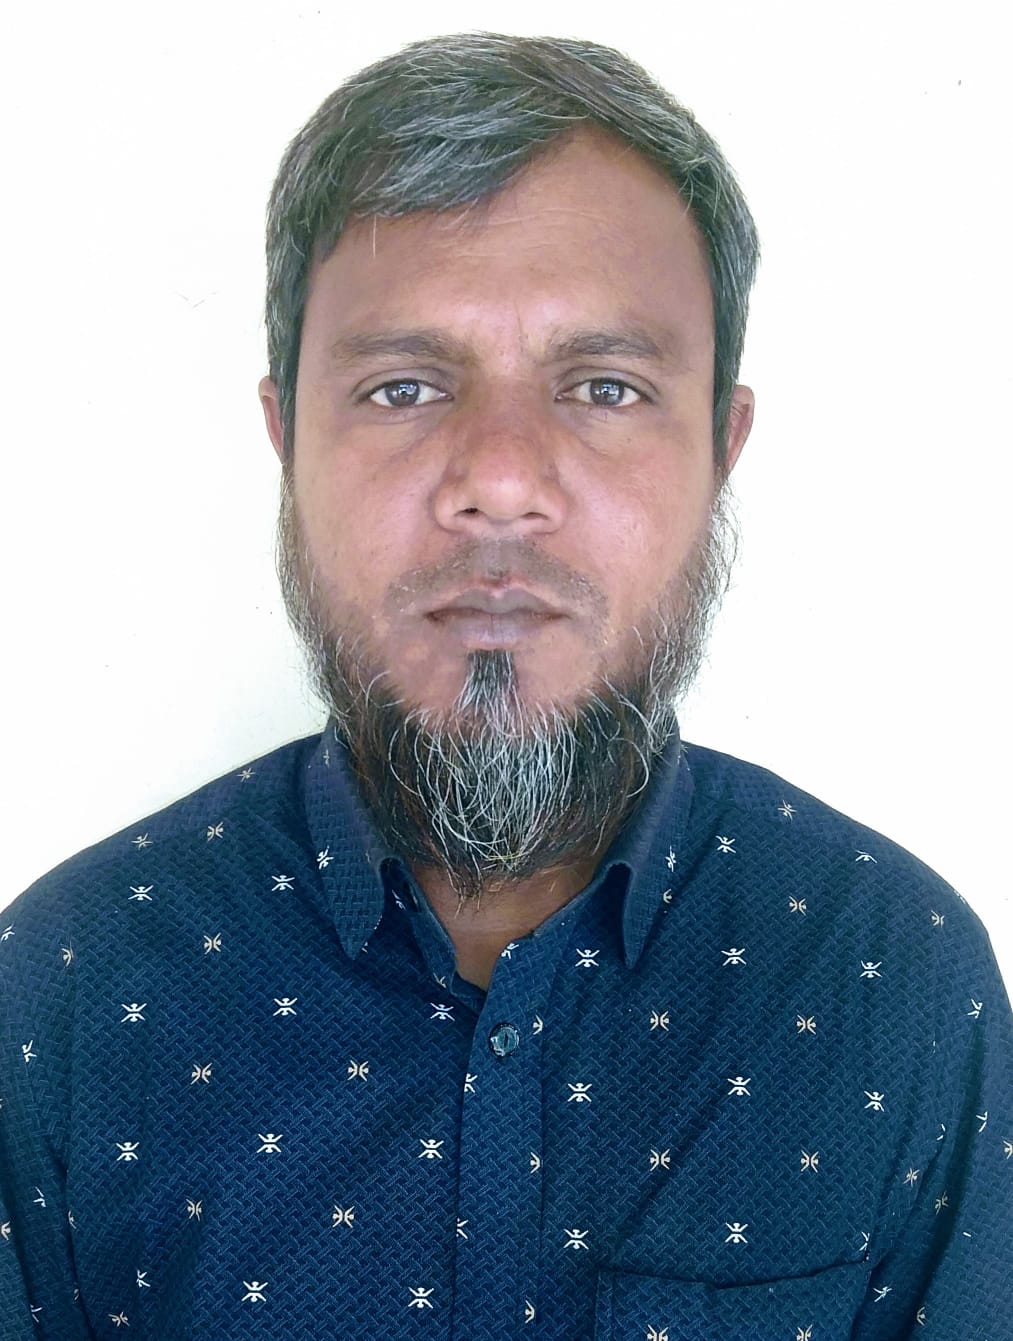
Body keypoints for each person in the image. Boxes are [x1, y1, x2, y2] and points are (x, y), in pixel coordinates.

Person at [1, 30, 1009, 1340]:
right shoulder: (64, 991)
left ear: (721, 448)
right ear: (285, 439)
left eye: (604, 386)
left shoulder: (894, 978)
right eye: (403, 386)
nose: (499, 479)